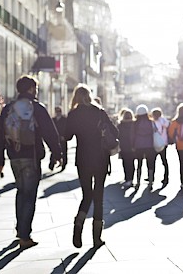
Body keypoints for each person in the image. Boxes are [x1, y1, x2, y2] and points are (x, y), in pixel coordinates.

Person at [0, 75, 62, 248]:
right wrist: (56, 153)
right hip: (31, 157)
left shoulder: (8, 108)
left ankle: (21, 229)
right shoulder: (37, 108)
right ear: (32, 89)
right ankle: (25, 236)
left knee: (21, 192)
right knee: (29, 195)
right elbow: (50, 132)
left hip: (14, 156)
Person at [64, 84, 118, 248]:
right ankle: (96, 238)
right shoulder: (99, 112)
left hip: (83, 159)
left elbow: (67, 136)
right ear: (89, 96)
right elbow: (115, 133)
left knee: (87, 195)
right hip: (100, 159)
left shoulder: (74, 114)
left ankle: (78, 225)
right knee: (99, 197)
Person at [132, 104, 157, 187]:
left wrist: (133, 145)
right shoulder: (151, 122)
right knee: (150, 163)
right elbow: (155, 132)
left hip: (138, 145)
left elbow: (132, 135)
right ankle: (150, 181)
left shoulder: (135, 123)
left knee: (139, 163)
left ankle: (138, 181)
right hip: (150, 145)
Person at [117, 108, 136, 187]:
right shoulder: (134, 124)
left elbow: (117, 135)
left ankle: (127, 178)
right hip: (133, 146)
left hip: (123, 146)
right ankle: (131, 179)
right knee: (131, 163)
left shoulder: (120, 124)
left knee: (125, 163)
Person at [151, 107, 170, 185]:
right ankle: (166, 178)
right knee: (164, 161)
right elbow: (168, 125)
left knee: (152, 161)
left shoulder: (152, 122)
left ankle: (151, 177)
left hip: (154, 144)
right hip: (163, 143)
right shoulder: (164, 121)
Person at [49, 106, 67, 172]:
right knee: (53, 150)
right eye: (57, 111)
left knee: (64, 151)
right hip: (55, 138)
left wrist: (64, 136)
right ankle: (52, 163)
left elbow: (66, 128)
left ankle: (64, 164)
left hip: (62, 138)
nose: (58, 113)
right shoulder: (53, 120)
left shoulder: (64, 119)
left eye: (59, 111)